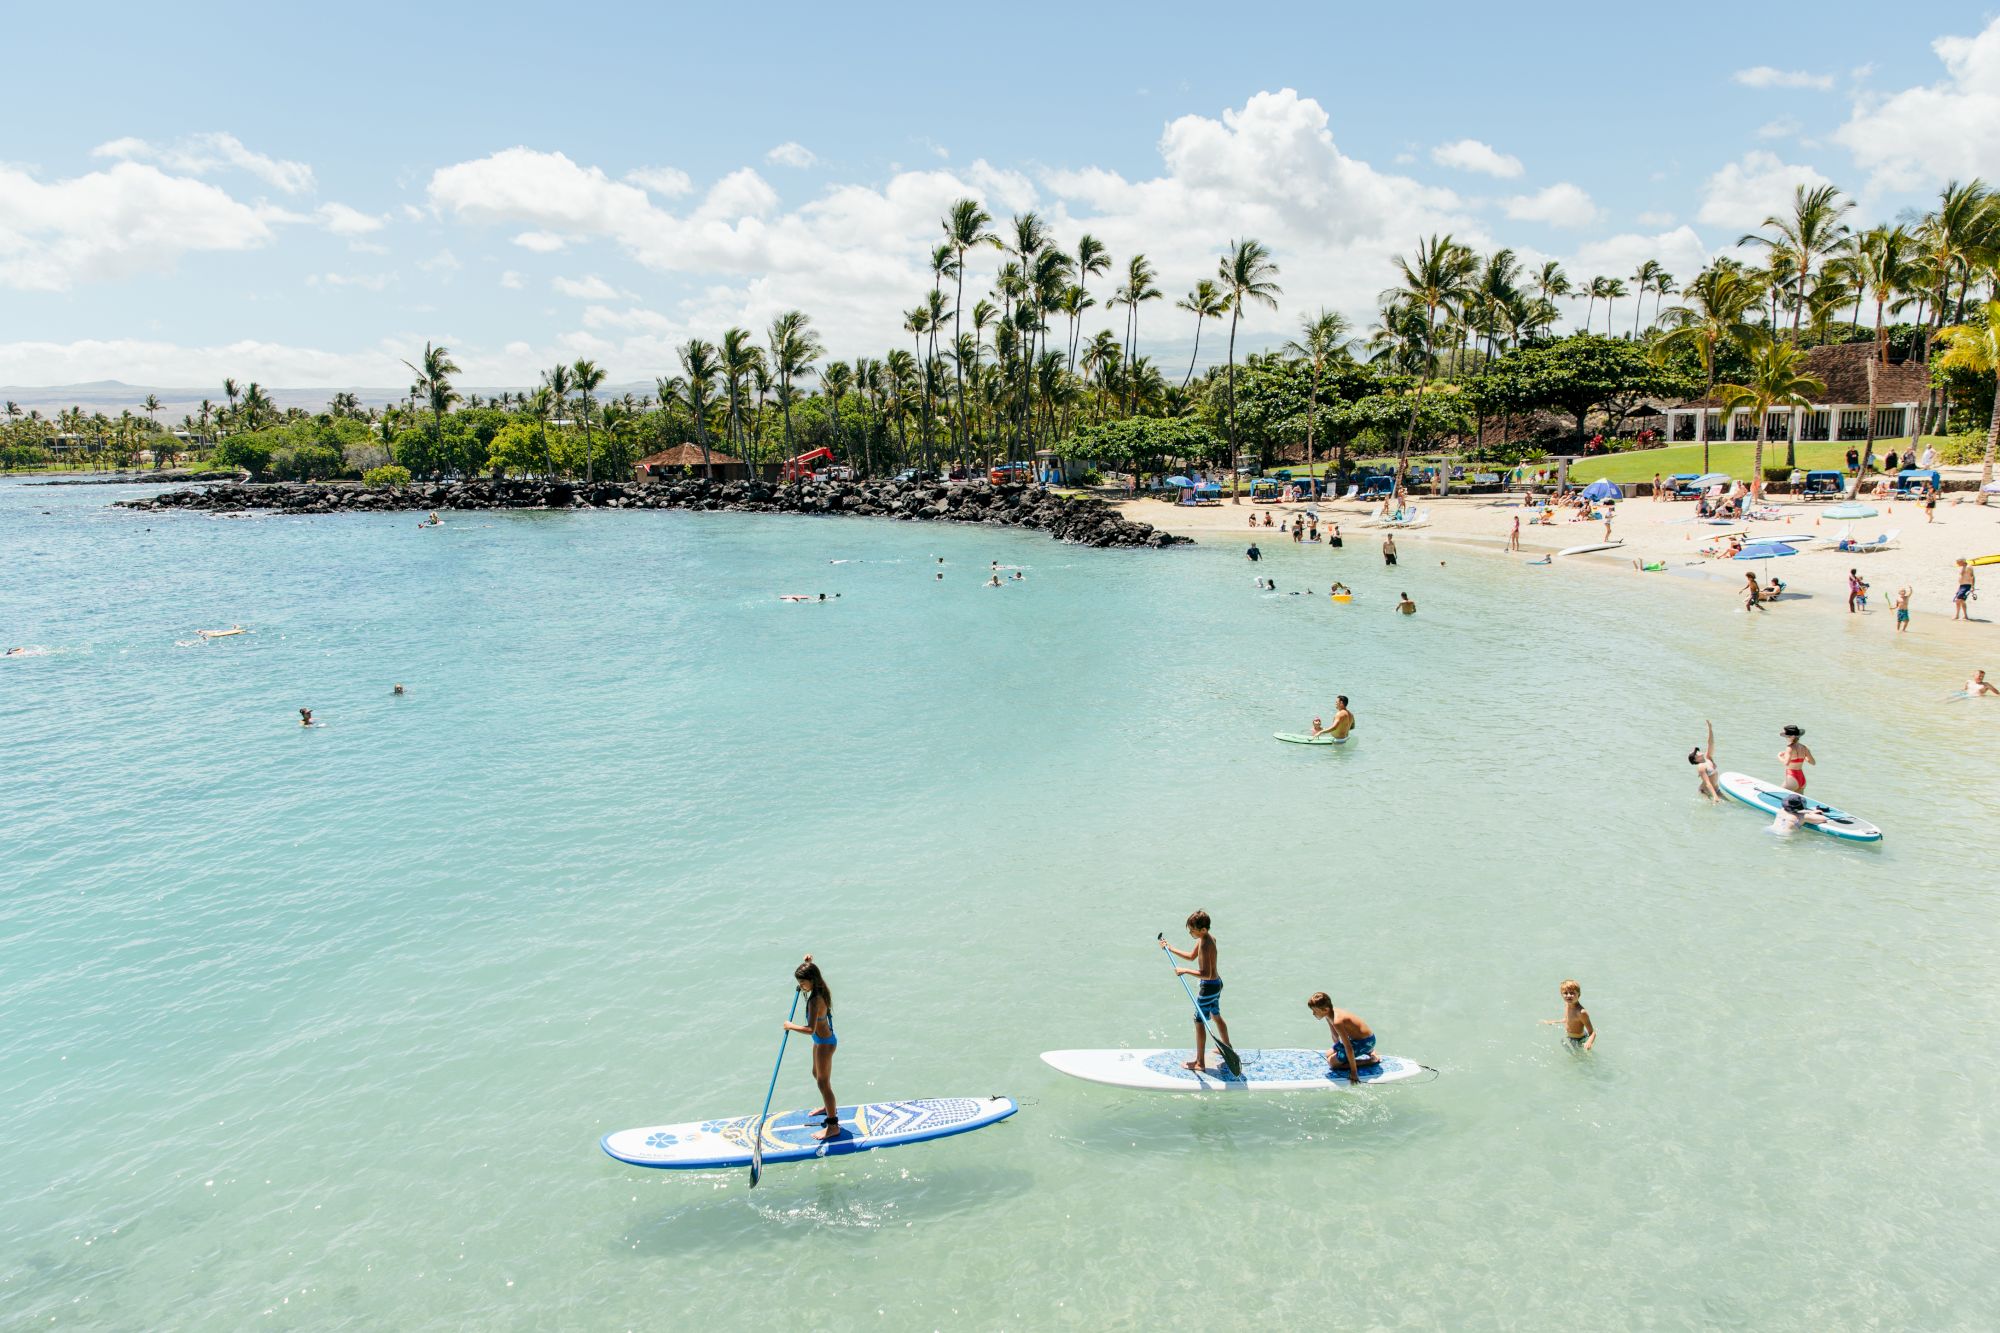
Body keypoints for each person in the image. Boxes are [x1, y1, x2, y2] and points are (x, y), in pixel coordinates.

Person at [1161, 911, 1230, 1072]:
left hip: (1208, 988)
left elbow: (1205, 973)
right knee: (1216, 1016)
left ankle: (1200, 1063)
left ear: (1203, 929)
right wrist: (1171, 949)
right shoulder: (1207, 938)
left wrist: (1185, 970)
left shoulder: (1205, 944)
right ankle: (1226, 1047)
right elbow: (1192, 956)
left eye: (1193, 930)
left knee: (1199, 1022)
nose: (1191, 933)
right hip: (1217, 984)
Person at [782, 956, 840, 1140]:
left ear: (812, 980)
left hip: (825, 1043)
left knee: (824, 1083)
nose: (800, 986)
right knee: (817, 1075)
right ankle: (827, 1106)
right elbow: (810, 975)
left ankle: (833, 1125)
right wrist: (807, 962)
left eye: (802, 982)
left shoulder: (815, 1000)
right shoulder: (819, 987)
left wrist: (790, 1026)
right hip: (820, 1041)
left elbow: (810, 1029)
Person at [1306, 992, 1379, 1081]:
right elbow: (1335, 1036)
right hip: (1359, 1039)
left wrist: (1353, 1072)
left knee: (1332, 1063)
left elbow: (1348, 1047)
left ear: (1325, 1009)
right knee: (1328, 1054)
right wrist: (1339, 1053)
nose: (1313, 1013)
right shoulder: (1329, 1014)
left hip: (1365, 1041)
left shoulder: (1337, 1021)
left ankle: (1372, 1060)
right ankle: (1369, 1051)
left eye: (1315, 1011)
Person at [1540, 979, 1596, 1050]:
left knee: (1577, 1058)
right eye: (1565, 993)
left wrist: (1589, 1042)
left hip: (1579, 1040)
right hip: (1570, 1037)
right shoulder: (1567, 1004)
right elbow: (1568, 1019)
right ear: (1561, 994)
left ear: (1578, 994)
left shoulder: (1581, 1012)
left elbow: (1592, 1032)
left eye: (1572, 993)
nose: (1569, 995)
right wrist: (1553, 1022)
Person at [1688, 721, 1722, 802]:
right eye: (1696, 753)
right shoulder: (1701, 767)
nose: (1698, 751)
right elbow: (1707, 783)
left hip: (1716, 789)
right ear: (1696, 759)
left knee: (1729, 805)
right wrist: (1715, 797)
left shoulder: (1708, 757)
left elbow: (1711, 744)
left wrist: (1710, 729)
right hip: (1705, 792)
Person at [1779, 725, 1813, 793]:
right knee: (1798, 802)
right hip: (1802, 779)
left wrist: (1779, 757)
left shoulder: (1789, 748)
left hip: (1792, 777)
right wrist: (1804, 757)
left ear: (1790, 737)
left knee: (1778, 795)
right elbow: (1812, 762)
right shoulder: (1804, 748)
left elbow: (1786, 763)